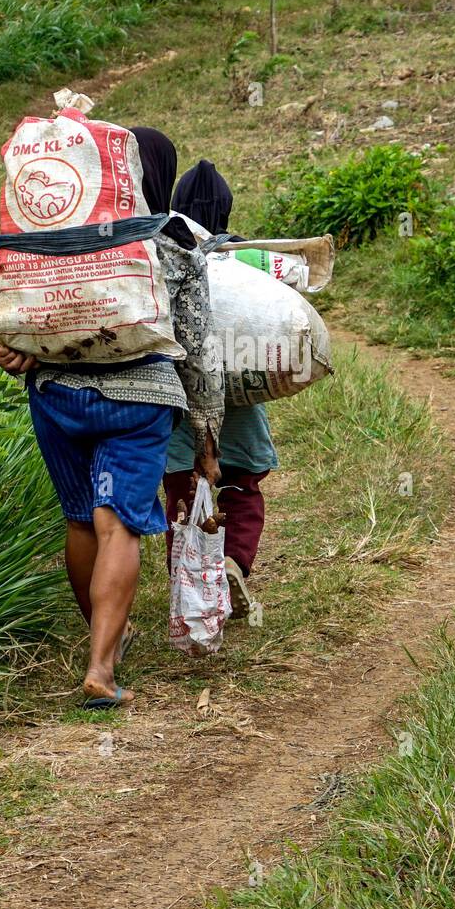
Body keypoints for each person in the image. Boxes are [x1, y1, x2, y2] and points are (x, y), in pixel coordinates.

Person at [0, 127, 223, 708]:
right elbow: (198, 345)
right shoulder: (172, 240)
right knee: (116, 522)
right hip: (140, 395)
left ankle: (108, 640)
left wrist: (12, 352)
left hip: (57, 395)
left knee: (78, 521)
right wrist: (206, 436)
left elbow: (12, 317)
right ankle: (100, 665)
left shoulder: (52, 237)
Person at [163, 158, 277, 620]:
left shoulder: (165, 249)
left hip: (180, 405)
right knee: (243, 492)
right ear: (227, 211)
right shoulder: (249, 259)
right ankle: (233, 562)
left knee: (183, 498)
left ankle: (189, 582)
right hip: (240, 409)